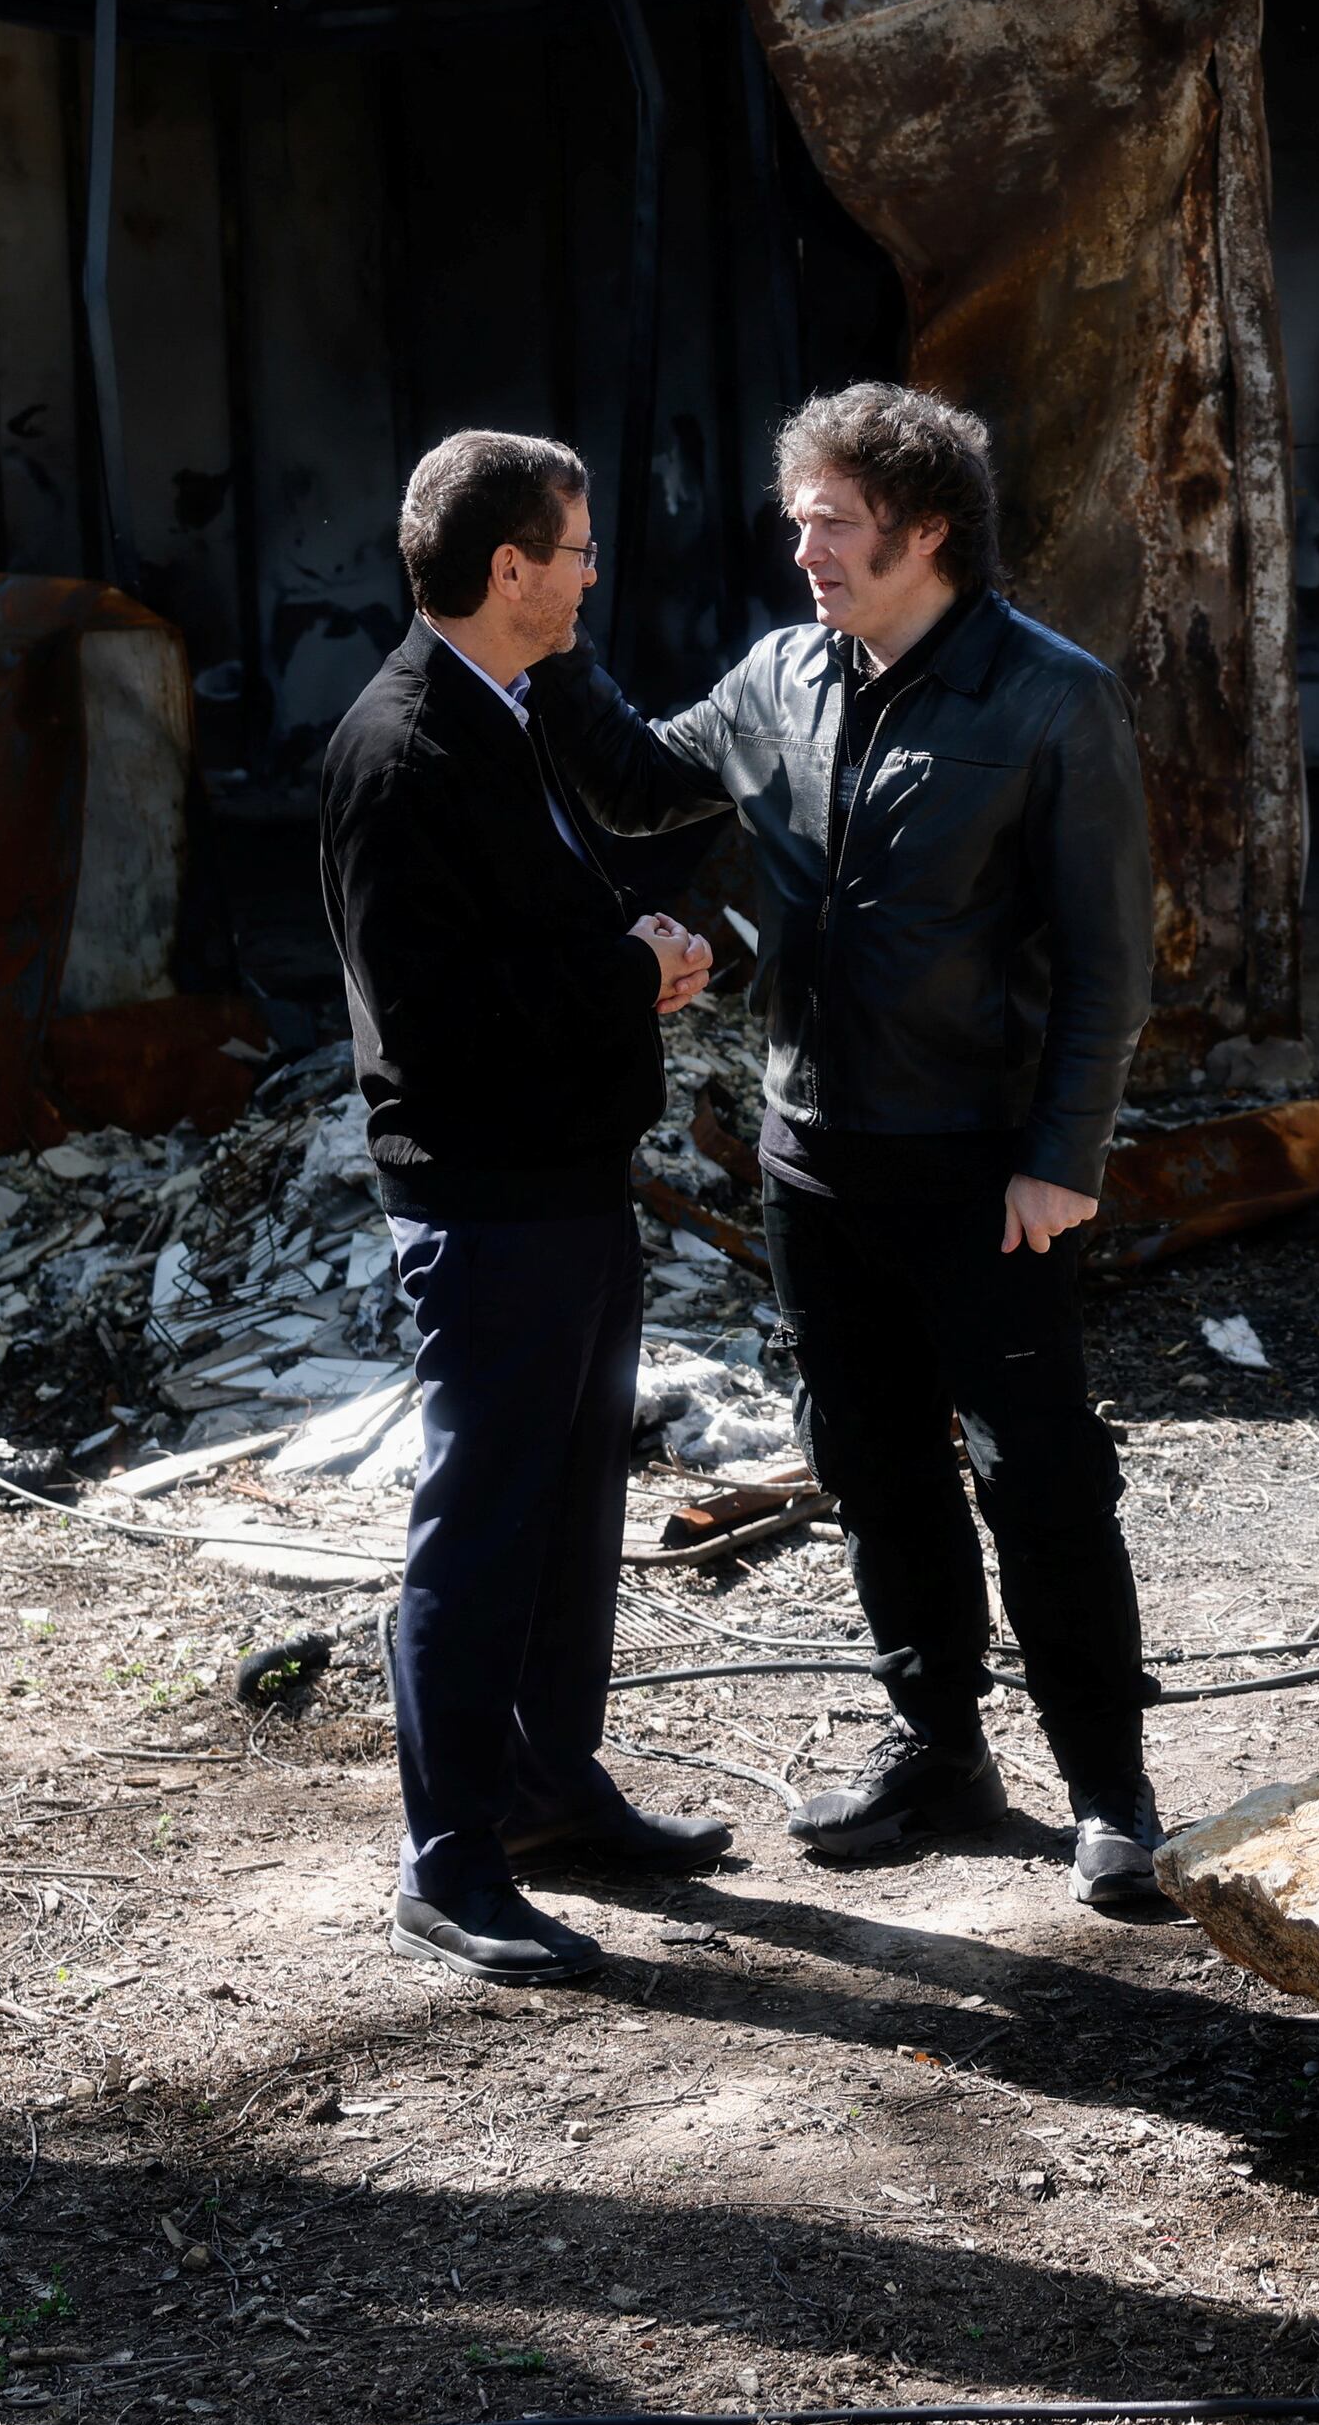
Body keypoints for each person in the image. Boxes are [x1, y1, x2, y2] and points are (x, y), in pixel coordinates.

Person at [531, 383, 1169, 1906]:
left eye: (831, 521)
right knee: (874, 1467)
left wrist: (1062, 1156)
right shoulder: (777, 682)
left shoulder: (1047, 699)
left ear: (925, 529)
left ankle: (1113, 1789)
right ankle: (937, 1749)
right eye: (797, 517)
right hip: (817, 1161)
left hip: (984, 1166)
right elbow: (635, 785)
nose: (800, 545)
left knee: (1043, 1484)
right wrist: (545, 639)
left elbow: (1110, 959)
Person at [318, 429, 732, 1985]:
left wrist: (643, 951)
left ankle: (553, 1790)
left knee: (569, 1518)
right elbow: (438, 1018)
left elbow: (542, 921)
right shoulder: (401, 750)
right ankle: (448, 1860)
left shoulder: (518, 705)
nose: (590, 574)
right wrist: (624, 971)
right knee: (481, 1529)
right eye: (573, 550)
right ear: (508, 571)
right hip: (485, 1200)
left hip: (567, 1179)